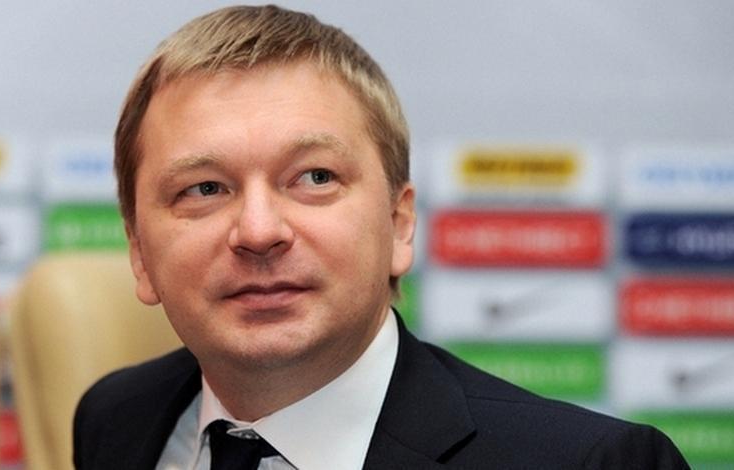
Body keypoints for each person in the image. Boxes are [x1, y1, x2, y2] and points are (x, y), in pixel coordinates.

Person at [73, 5, 688, 469]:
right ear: (139, 254)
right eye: (204, 188)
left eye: (315, 177)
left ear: (399, 224)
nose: (258, 231)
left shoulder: (593, 462)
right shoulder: (115, 420)